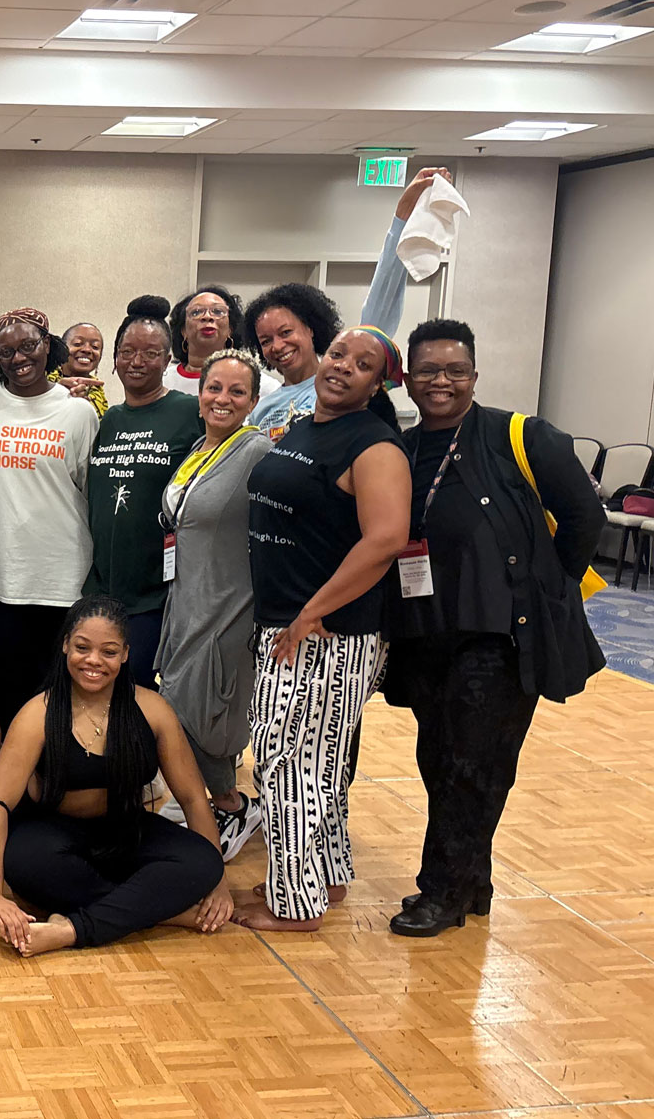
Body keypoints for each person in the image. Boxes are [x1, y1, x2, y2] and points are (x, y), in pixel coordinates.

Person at [382, 320, 605, 936]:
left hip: (501, 638)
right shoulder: (402, 447)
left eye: (455, 370)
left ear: (474, 376)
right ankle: (471, 878)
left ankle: (442, 894)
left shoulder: (520, 436)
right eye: (428, 370)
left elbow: (585, 516)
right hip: (426, 634)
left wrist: (550, 584)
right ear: (408, 378)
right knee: (437, 758)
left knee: (475, 764)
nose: (441, 382)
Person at [234, 328, 411, 932]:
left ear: (378, 384)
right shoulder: (308, 425)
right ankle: (321, 878)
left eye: (363, 366)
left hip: (324, 631)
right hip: (293, 619)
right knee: (320, 762)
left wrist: (312, 612)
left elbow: (385, 540)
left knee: (286, 763)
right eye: (339, 354)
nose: (343, 368)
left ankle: (294, 904)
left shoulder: (374, 445)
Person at [0, 597, 231, 956]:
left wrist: (216, 882)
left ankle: (71, 929)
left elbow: (191, 798)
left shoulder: (153, 709)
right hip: (53, 835)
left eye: (108, 651)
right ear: (65, 645)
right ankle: (162, 912)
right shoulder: (38, 713)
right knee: (25, 864)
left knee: (203, 861)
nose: (93, 661)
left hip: (125, 831)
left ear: (125, 654)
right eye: (82, 648)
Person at [155, 350, 271, 860]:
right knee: (179, 702)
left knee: (202, 707)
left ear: (253, 400)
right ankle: (207, 797)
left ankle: (233, 804)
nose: (223, 399)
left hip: (228, 602)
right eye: (214, 389)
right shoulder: (199, 448)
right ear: (199, 394)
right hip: (185, 599)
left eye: (237, 391)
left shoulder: (257, 450)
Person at [245, 167, 448, 438]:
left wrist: (403, 218)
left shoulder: (341, 383)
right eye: (266, 340)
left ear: (310, 328)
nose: (278, 346)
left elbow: (382, 297)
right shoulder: (262, 409)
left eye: (286, 332)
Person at [0, 309, 98, 727]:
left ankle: (57, 783)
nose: (19, 358)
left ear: (48, 345)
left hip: (60, 573)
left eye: (29, 346)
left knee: (58, 689)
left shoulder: (78, 413)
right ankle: (15, 786)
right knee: (8, 686)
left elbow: (87, 490)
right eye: (6, 351)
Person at [85, 311, 202, 690]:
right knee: (100, 687)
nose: (137, 361)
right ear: (115, 359)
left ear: (168, 360)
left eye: (151, 353)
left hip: (156, 590)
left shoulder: (189, 412)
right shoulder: (105, 419)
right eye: (127, 351)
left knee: (140, 690)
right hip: (102, 585)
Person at [164, 286, 280, 400]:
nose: (207, 317)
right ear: (183, 331)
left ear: (231, 329)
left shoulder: (262, 385)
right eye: (196, 312)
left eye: (218, 312)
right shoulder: (162, 382)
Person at [55, 321, 108, 416]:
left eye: (95, 347)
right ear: (62, 348)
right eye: (77, 344)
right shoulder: (42, 381)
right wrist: (56, 394)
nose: (87, 350)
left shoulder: (98, 394)